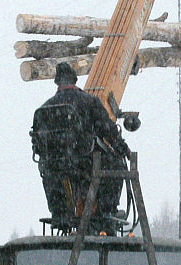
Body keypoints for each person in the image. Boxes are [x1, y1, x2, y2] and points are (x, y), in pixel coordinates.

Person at [31, 62, 129, 232]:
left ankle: (59, 212)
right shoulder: (89, 102)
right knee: (115, 166)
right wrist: (122, 149)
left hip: (56, 168)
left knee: (47, 168)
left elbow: (38, 146)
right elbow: (108, 130)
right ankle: (105, 213)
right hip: (85, 164)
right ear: (75, 80)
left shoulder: (44, 109)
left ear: (57, 83)